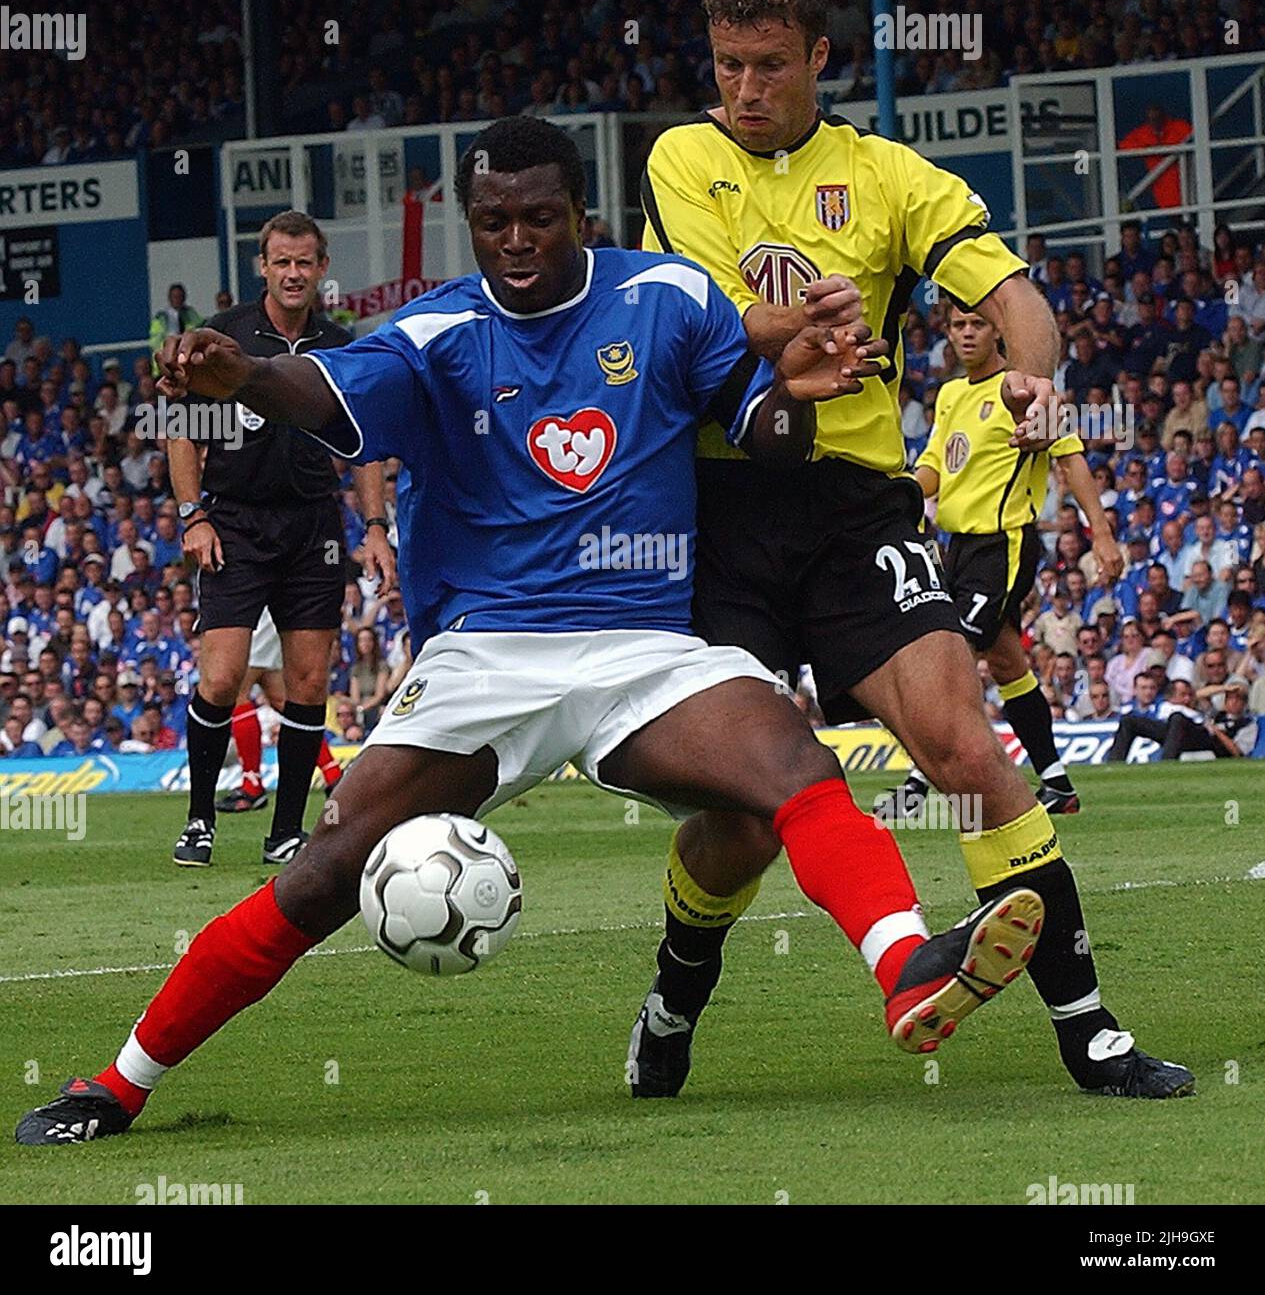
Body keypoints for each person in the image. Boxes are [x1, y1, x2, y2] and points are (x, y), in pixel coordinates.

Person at [15, 117, 1046, 1148]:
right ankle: (117, 1081)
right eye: (493, 220)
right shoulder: (437, 334)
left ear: (580, 216)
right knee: (326, 868)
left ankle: (905, 965)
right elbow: (318, 386)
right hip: (484, 656)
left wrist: (795, 395)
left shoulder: (668, 297)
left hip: (645, 646)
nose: (515, 239)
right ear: (472, 222)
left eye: (539, 218)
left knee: (790, 758)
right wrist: (244, 378)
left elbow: (761, 432)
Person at [635, 0, 1189, 1101]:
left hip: (851, 506)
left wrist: (1032, 381)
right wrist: (804, 326)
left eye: (769, 66)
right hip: (724, 502)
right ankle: (672, 992)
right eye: (728, 65)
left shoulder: (888, 175)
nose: (744, 88)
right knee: (742, 821)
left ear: (819, 58)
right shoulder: (680, 157)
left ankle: (1087, 1032)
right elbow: (708, 316)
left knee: (965, 749)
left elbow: (1012, 298)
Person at [165, 210, 395, 867]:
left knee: (308, 680)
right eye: (281, 262)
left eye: (304, 262)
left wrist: (374, 527)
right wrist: (192, 516)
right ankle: (200, 819)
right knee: (222, 677)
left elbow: (366, 447)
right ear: (262, 267)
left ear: (322, 269)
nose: (293, 274)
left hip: (314, 526)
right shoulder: (225, 338)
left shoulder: (341, 343)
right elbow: (179, 429)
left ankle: (286, 833)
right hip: (234, 521)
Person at [905, 301, 1123, 817]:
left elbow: (1070, 457)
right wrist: (901, 497)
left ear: (999, 329)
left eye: (976, 323)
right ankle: (1057, 782)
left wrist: (1103, 534)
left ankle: (917, 782)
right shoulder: (952, 393)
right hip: (955, 547)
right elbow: (937, 463)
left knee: (951, 651)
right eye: (957, 325)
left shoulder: (1025, 389)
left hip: (1002, 544)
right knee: (1006, 662)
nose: (965, 333)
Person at [214, 607, 344, 815]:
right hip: (267, 606)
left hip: (258, 607)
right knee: (281, 699)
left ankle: (252, 784)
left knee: (237, 690)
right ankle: (334, 776)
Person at [1106, 673, 1257, 760]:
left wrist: (1215, 730)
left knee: (1177, 718)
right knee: (1128, 721)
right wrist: (1225, 688)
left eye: (1239, 699)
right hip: (1172, 731)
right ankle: (1113, 765)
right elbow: (1198, 694)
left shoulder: (1245, 722)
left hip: (1201, 736)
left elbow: (1238, 753)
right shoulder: (1174, 705)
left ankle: (1166, 765)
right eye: (1230, 698)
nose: (1234, 702)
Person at [147, 284, 203, 355]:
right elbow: (155, 341)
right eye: (175, 297)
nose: (178, 299)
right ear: (169, 298)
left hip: (186, 352)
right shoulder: (160, 317)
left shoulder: (191, 314)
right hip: (167, 354)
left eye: (180, 296)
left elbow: (198, 329)